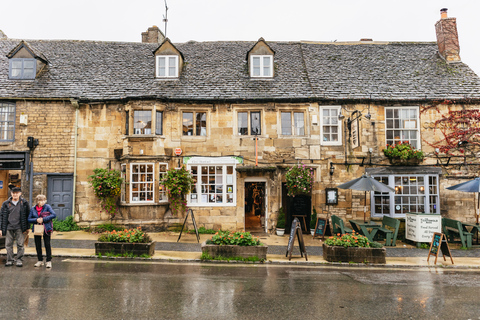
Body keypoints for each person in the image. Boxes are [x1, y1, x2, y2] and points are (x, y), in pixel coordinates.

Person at [0, 187, 30, 267]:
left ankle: (19, 260)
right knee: (8, 245)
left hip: (20, 227)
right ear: (11, 193)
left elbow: (28, 215)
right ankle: (10, 260)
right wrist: (0, 228)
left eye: (17, 193)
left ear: (20, 194)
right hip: (8, 227)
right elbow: (1, 216)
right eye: (14, 193)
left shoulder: (24, 203)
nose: (15, 194)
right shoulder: (6, 203)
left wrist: (27, 227)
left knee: (20, 244)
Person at [28, 194, 56, 268]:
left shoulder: (47, 207)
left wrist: (43, 219)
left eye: (44, 200)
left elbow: (53, 215)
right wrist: (36, 220)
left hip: (46, 228)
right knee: (38, 244)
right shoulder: (33, 209)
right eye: (41, 200)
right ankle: (40, 260)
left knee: (47, 244)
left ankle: (48, 261)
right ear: (37, 201)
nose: (43, 202)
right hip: (37, 228)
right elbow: (29, 219)